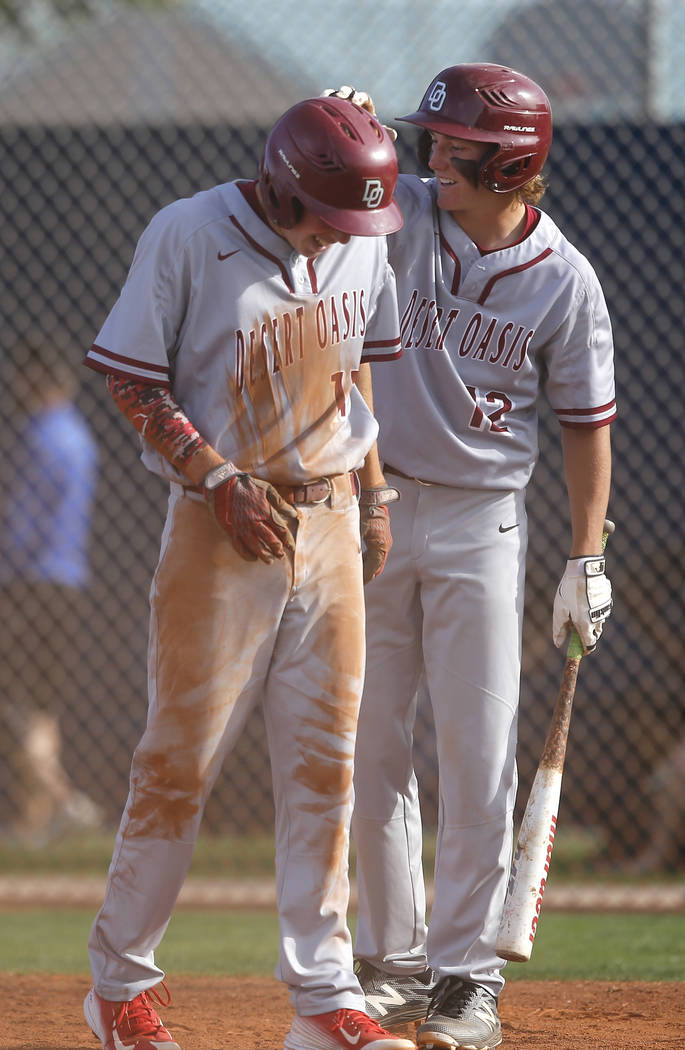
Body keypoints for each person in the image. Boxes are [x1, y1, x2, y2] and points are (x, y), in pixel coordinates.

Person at [81, 95, 416, 1050]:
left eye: (357, 219)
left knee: (326, 771)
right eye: (328, 215)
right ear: (280, 182)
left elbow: (353, 373)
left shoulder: (359, 236)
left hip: (332, 522)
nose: (339, 236)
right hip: (219, 529)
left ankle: (322, 999)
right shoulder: (188, 232)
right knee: (177, 765)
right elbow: (131, 378)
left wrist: (376, 493)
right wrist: (214, 475)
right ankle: (118, 987)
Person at [326, 66, 615, 1050]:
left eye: (453, 144)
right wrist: (347, 134)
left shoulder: (563, 278)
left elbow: (585, 426)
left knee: (477, 749)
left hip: (483, 522)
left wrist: (585, 556)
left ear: (511, 160)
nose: (431, 153)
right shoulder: (401, 212)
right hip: (379, 504)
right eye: (430, 139)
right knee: (371, 744)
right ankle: (395, 961)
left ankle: (466, 979)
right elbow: (338, 195)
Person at [0, 337, 101, 842]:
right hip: (64, 584)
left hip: (29, 585)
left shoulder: (40, 437)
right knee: (41, 707)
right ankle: (35, 824)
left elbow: (20, 524)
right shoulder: (78, 436)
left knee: (16, 704)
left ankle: (65, 802)